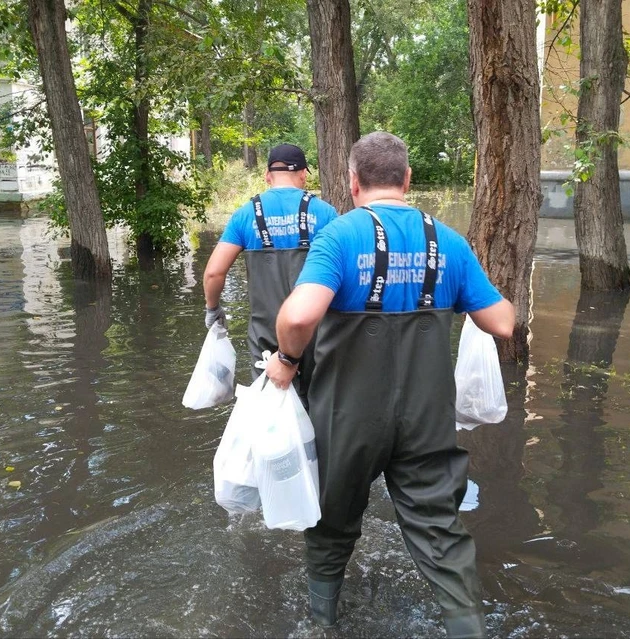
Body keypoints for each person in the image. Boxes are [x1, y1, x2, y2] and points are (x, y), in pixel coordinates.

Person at [265, 132, 515, 639]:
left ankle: (322, 625)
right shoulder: (448, 240)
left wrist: (288, 362)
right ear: (406, 180)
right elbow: (503, 323)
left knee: (330, 527)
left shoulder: (339, 236)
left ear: (353, 182)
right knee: (442, 536)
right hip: (426, 421)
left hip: (347, 420)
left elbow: (296, 317)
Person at [202, 144, 338, 400]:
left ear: (267, 175)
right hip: (315, 332)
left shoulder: (245, 215)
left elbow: (213, 273)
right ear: (303, 175)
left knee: (271, 410)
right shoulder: (325, 213)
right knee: (319, 405)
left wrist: (213, 310)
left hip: (265, 336)